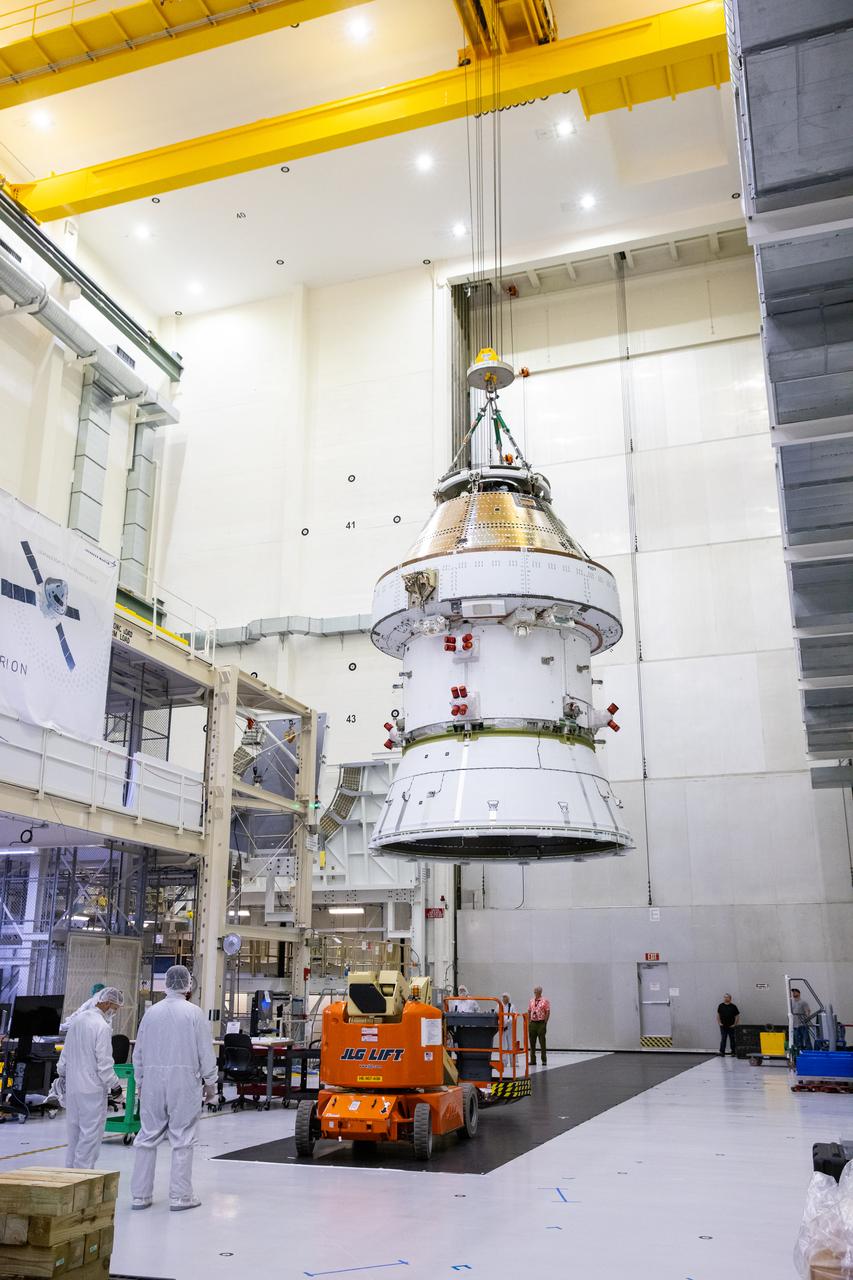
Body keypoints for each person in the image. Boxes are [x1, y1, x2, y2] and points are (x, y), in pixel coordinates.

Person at [131, 965, 218, 1212]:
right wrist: (211, 1084)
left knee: (147, 1136)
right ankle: (180, 1197)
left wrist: (140, 1082)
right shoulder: (193, 1013)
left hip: (152, 1082)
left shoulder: (151, 1013)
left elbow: (138, 1052)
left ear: (167, 984)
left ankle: (140, 1196)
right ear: (188, 985)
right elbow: (205, 1052)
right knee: (182, 1137)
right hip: (184, 1081)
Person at [57, 987, 124, 1169]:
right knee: (90, 1136)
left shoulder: (77, 1021)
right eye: (115, 1008)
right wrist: (116, 1088)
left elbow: (64, 1059)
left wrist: (63, 1077)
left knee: (74, 1135)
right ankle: (83, 1180)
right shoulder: (101, 1027)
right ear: (108, 1003)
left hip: (72, 1089)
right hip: (92, 1090)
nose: (114, 1012)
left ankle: (69, 1175)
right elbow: (104, 1065)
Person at [528, 985, 550, 1066]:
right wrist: (529, 1021)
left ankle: (544, 1060)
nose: (535, 992)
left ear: (540, 992)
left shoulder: (545, 1000)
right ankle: (533, 1060)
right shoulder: (531, 1001)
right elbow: (529, 1010)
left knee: (542, 1042)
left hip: (541, 1023)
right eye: (534, 991)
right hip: (533, 1023)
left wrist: (545, 1022)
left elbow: (547, 1011)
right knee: (532, 1042)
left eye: (536, 991)